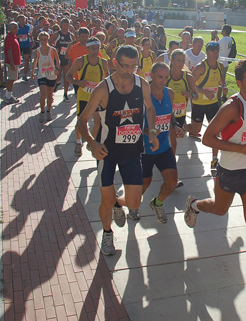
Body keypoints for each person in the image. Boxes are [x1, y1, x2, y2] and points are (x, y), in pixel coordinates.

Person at [184, 57, 246, 290]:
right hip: (230, 171)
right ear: (241, 83)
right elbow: (207, 138)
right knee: (219, 209)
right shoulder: (232, 107)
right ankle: (194, 204)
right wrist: (241, 149)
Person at [76, 45, 158, 256]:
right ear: (115, 63)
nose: (130, 71)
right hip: (108, 153)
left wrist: (153, 131)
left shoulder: (142, 84)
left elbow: (150, 108)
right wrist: (93, 144)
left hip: (132, 151)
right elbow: (82, 121)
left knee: (134, 202)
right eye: (125, 66)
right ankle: (107, 234)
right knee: (105, 199)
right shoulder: (103, 89)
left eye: (134, 66)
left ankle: (117, 204)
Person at [129, 62, 184, 222]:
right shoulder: (141, 96)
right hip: (145, 148)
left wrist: (175, 125)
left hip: (164, 146)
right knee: (145, 183)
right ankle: (131, 206)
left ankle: (157, 203)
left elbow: (170, 114)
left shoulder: (170, 93)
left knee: (172, 181)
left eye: (166, 77)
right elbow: (133, 123)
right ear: (151, 75)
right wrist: (149, 132)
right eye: (160, 77)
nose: (163, 80)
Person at [66, 37, 109, 156]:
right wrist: (78, 82)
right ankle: (78, 142)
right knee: (81, 121)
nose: (95, 51)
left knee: (98, 122)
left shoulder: (103, 62)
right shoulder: (81, 61)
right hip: (84, 96)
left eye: (97, 48)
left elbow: (107, 79)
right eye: (93, 48)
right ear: (88, 49)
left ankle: (91, 142)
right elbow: (68, 76)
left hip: (97, 98)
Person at [191, 42, 224, 170]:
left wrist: (224, 86)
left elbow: (221, 80)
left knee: (215, 132)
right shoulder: (200, 67)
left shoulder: (219, 66)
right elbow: (191, 84)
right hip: (199, 104)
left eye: (217, 51)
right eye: (213, 51)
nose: (216, 54)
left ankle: (214, 160)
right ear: (207, 52)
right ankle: (181, 127)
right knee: (196, 130)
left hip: (213, 105)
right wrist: (205, 92)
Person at [167, 49, 197, 154]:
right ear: (171, 60)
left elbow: (196, 96)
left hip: (180, 114)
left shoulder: (188, 77)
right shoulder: (166, 76)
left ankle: (171, 161)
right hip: (167, 113)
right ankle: (171, 162)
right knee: (171, 139)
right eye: (178, 60)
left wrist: (190, 95)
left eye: (183, 60)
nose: (181, 63)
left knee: (175, 138)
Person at [31, 32, 60, 122]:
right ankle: (42, 112)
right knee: (43, 94)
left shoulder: (52, 50)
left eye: (45, 40)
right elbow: (35, 62)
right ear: (39, 40)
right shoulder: (37, 51)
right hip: (42, 75)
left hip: (51, 74)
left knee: (50, 95)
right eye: (42, 40)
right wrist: (32, 72)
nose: (44, 42)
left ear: (48, 40)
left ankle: (48, 111)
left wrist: (57, 69)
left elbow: (57, 60)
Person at [50, 18, 75, 102]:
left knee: (66, 77)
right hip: (58, 58)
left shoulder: (71, 35)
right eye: (64, 25)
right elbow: (49, 42)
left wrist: (71, 52)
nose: (65, 27)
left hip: (66, 59)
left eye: (67, 25)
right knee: (58, 74)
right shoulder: (57, 34)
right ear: (61, 25)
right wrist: (54, 49)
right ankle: (56, 83)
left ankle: (65, 93)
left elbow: (75, 44)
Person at [3, 22, 21, 104]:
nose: (16, 29)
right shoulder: (9, 37)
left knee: (12, 78)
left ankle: (9, 94)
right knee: (11, 78)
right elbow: (9, 50)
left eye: (17, 27)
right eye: (14, 28)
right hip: (12, 62)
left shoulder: (13, 36)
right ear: (10, 28)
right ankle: (8, 96)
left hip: (15, 61)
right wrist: (12, 63)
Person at [218, 25, 234, 102]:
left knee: (220, 81)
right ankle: (223, 95)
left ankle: (221, 96)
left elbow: (215, 46)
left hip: (221, 62)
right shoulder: (230, 39)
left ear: (224, 30)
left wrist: (213, 37)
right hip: (226, 62)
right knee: (223, 80)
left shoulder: (223, 40)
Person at [16, 15, 33, 80]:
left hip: (26, 45)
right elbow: (13, 35)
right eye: (20, 19)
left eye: (23, 19)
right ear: (18, 20)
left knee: (26, 60)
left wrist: (32, 40)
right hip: (18, 45)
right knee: (18, 59)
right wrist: (17, 36)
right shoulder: (16, 27)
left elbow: (30, 34)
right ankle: (17, 72)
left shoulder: (28, 27)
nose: (22, 21)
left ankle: (25, 75)